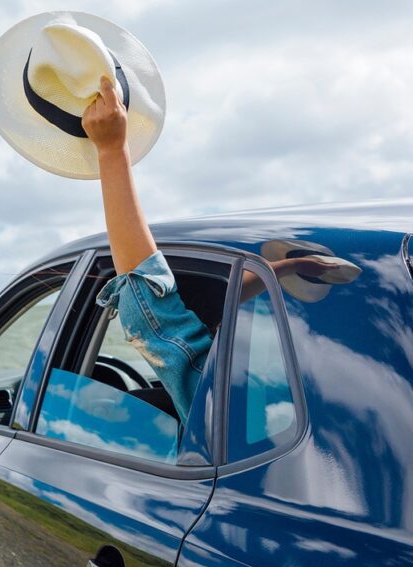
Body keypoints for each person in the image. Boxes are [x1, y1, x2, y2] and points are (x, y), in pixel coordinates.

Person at [81, 76, 340, 421]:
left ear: (212, 331)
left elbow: (152, 314)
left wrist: (111, 151)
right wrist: (283, 268)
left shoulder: (223, 407)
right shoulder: (320, 397)